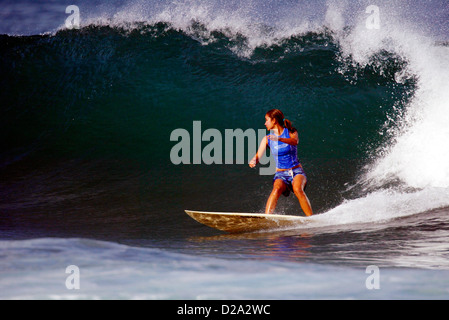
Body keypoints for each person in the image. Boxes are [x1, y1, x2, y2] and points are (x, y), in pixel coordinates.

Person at [249, 109, 313, 216]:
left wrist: (279, 138)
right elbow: (258, 155)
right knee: (276, 188)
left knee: (298, 189)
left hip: (296, 171)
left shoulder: (291, 131)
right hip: (280, 174)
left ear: (274, 120)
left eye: (267, 120)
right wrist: (254, 160)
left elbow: (295, 142)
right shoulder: (267, 139)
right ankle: (267, 218)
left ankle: (311, 218)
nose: (265, 123)